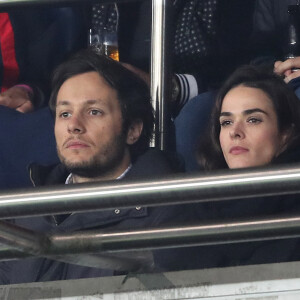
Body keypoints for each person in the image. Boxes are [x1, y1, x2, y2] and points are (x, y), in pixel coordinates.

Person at [0, 49, 196, 285]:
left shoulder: (169, 215)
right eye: (64, 113)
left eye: (94, 112)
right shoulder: (27, 211)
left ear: (133, 130)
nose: (73, 125)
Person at [191, 65, 300, 269]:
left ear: (286, 135)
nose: (235, 132)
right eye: (226, 122)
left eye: (253, 120)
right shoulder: (197, 205)